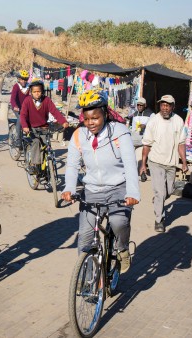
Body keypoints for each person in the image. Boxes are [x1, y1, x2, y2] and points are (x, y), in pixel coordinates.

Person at [61, 88, 140, 273]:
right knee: (85, 240)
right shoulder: (79, 135)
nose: (90, 123)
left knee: (118, 222)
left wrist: (133, 192)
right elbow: (72, 165)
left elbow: (130, 164)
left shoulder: (119, 132)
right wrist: (69, 188)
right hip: (92, 191)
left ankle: (122, 249)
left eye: (95, 118)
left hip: (118, 189)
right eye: (86, 119)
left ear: (104, 113)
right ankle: (88, 281)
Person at [139, 95, 188, 233]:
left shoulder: (178, 121)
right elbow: (147, 144)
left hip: (171, 163)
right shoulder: (153, 121)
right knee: (160, 193)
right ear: (160, 106)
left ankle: (158, 200)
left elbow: (181, 143)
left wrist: (184, 162)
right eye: (163, 105)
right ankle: (159, 220)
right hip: (155, 162)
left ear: (173, 106)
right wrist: (143, 164)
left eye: (168, 105)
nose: (165, 108)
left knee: (170, 190)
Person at [20, 78, 69, 170]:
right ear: (31, 92)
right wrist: (25, 126)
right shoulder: (27, 101)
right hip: (32, 128)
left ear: (42, 91)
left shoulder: (46, 100)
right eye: (34, 92)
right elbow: (22, 115)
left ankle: (47, 166)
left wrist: (63, 122)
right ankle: (34, 164)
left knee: (47, 145)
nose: (37, 93)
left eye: (39, 91)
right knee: (36, 142)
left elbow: (55, 112)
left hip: (44, 128)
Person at [9, 69, 30, 148]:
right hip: (17, 108)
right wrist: (15, 106)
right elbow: (12, 99)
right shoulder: (16, 86)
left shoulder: (29, 87)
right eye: (22, 79)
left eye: (25, 79)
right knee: (20, 119)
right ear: (19, 79)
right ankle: (18, 139)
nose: (24, 81)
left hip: (26, 108)